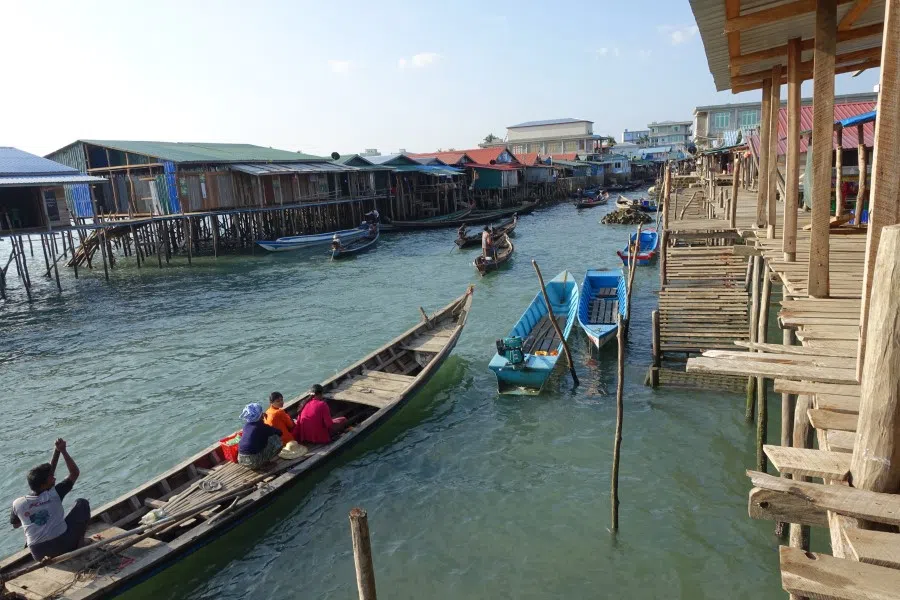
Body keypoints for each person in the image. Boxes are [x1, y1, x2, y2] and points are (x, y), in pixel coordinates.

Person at [11, 438, 91, 561]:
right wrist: (63, 451)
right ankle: (78, 544)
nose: (54, 478)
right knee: (82, 503)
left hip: (39, 554)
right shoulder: (55, 493)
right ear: (43, 485)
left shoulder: (18, 503)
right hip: (64, 546)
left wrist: (33, 514)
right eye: (51, 478)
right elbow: (74, 473)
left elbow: (16, 525)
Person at [237, 403, 283, 469]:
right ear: (260, 415)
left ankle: (259, 462)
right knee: (277, 439)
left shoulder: (246, 426)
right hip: (253, 462)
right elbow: (279, 432)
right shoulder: (261, 427)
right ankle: (263, 464)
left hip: (241, 459)